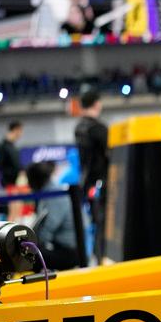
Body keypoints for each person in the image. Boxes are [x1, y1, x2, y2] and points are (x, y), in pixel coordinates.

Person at [74, 89, 109, 260]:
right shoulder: (98, 129)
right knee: (103, 222)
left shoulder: (79, 128)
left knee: (96, 221)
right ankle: (101, 255)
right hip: (100, 182)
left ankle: (97, 255)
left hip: (87, 182)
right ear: (96, 103)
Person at [25, 162, 79, 271]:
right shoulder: (50, 191)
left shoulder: (54, 195)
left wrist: (33, 244)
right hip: (62, 247)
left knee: (28, 256)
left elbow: (48, 228)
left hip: (70, 253)